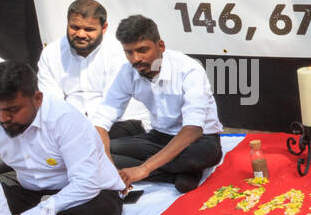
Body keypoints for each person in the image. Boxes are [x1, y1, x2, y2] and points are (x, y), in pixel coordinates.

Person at [0, 62, 127, 215]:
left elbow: (86, 184)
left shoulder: (65, 119)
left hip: (90, 194)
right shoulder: (1, 119)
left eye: (12, 110)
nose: (3, 119)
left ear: (38, 99)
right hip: (31, 192)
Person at [93, 15, 223, 193]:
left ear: (160, 46)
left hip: (199, 140)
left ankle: (168, 169)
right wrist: (109, 168)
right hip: (158, 138)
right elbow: (101, 123)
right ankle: (175, 175)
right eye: (129, 52)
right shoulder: (127, 72)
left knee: (200, 155)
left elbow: (193, 129)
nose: (135, 58)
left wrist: (144, 168)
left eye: (142, 50)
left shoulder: (189, 70)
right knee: (98, 150)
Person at [36, 0, 150, 136]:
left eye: (89, 29)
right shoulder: (51, 53)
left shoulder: (120, 53)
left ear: (104, 28)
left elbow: (112, 108)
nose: (81, 34)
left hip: (121, 123)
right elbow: (51, 103)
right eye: (75, 27)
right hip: (71, 127)